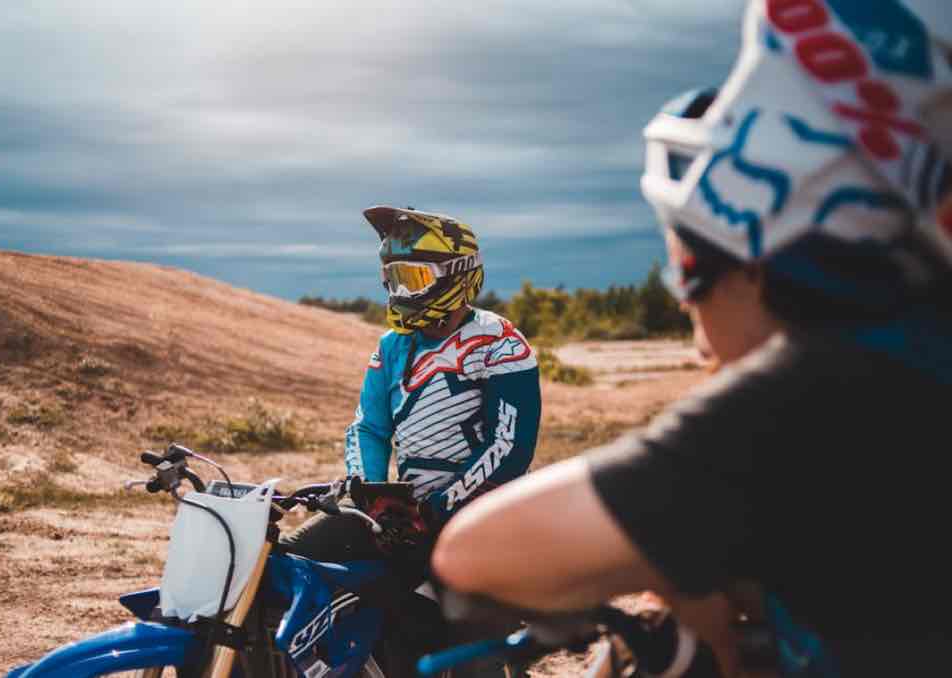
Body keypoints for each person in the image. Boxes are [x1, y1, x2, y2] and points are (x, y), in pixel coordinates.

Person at [432, 1, 952, 675]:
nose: (687, 310)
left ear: (758, 263)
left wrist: (677, 580)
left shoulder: (831, 387)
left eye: (689, 270)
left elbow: (476, 552)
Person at [281, 205, 541, 674]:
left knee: (464, 647)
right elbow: (368, 428)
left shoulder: (500, 343)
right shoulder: (391, 346)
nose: (400, 293)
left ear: (458, 274)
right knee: (291, 564)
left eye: (413, 279)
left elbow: (509, 448)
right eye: (393, 279)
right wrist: (368, 494)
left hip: (481, 518)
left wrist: (437, 507)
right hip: (404, 515)